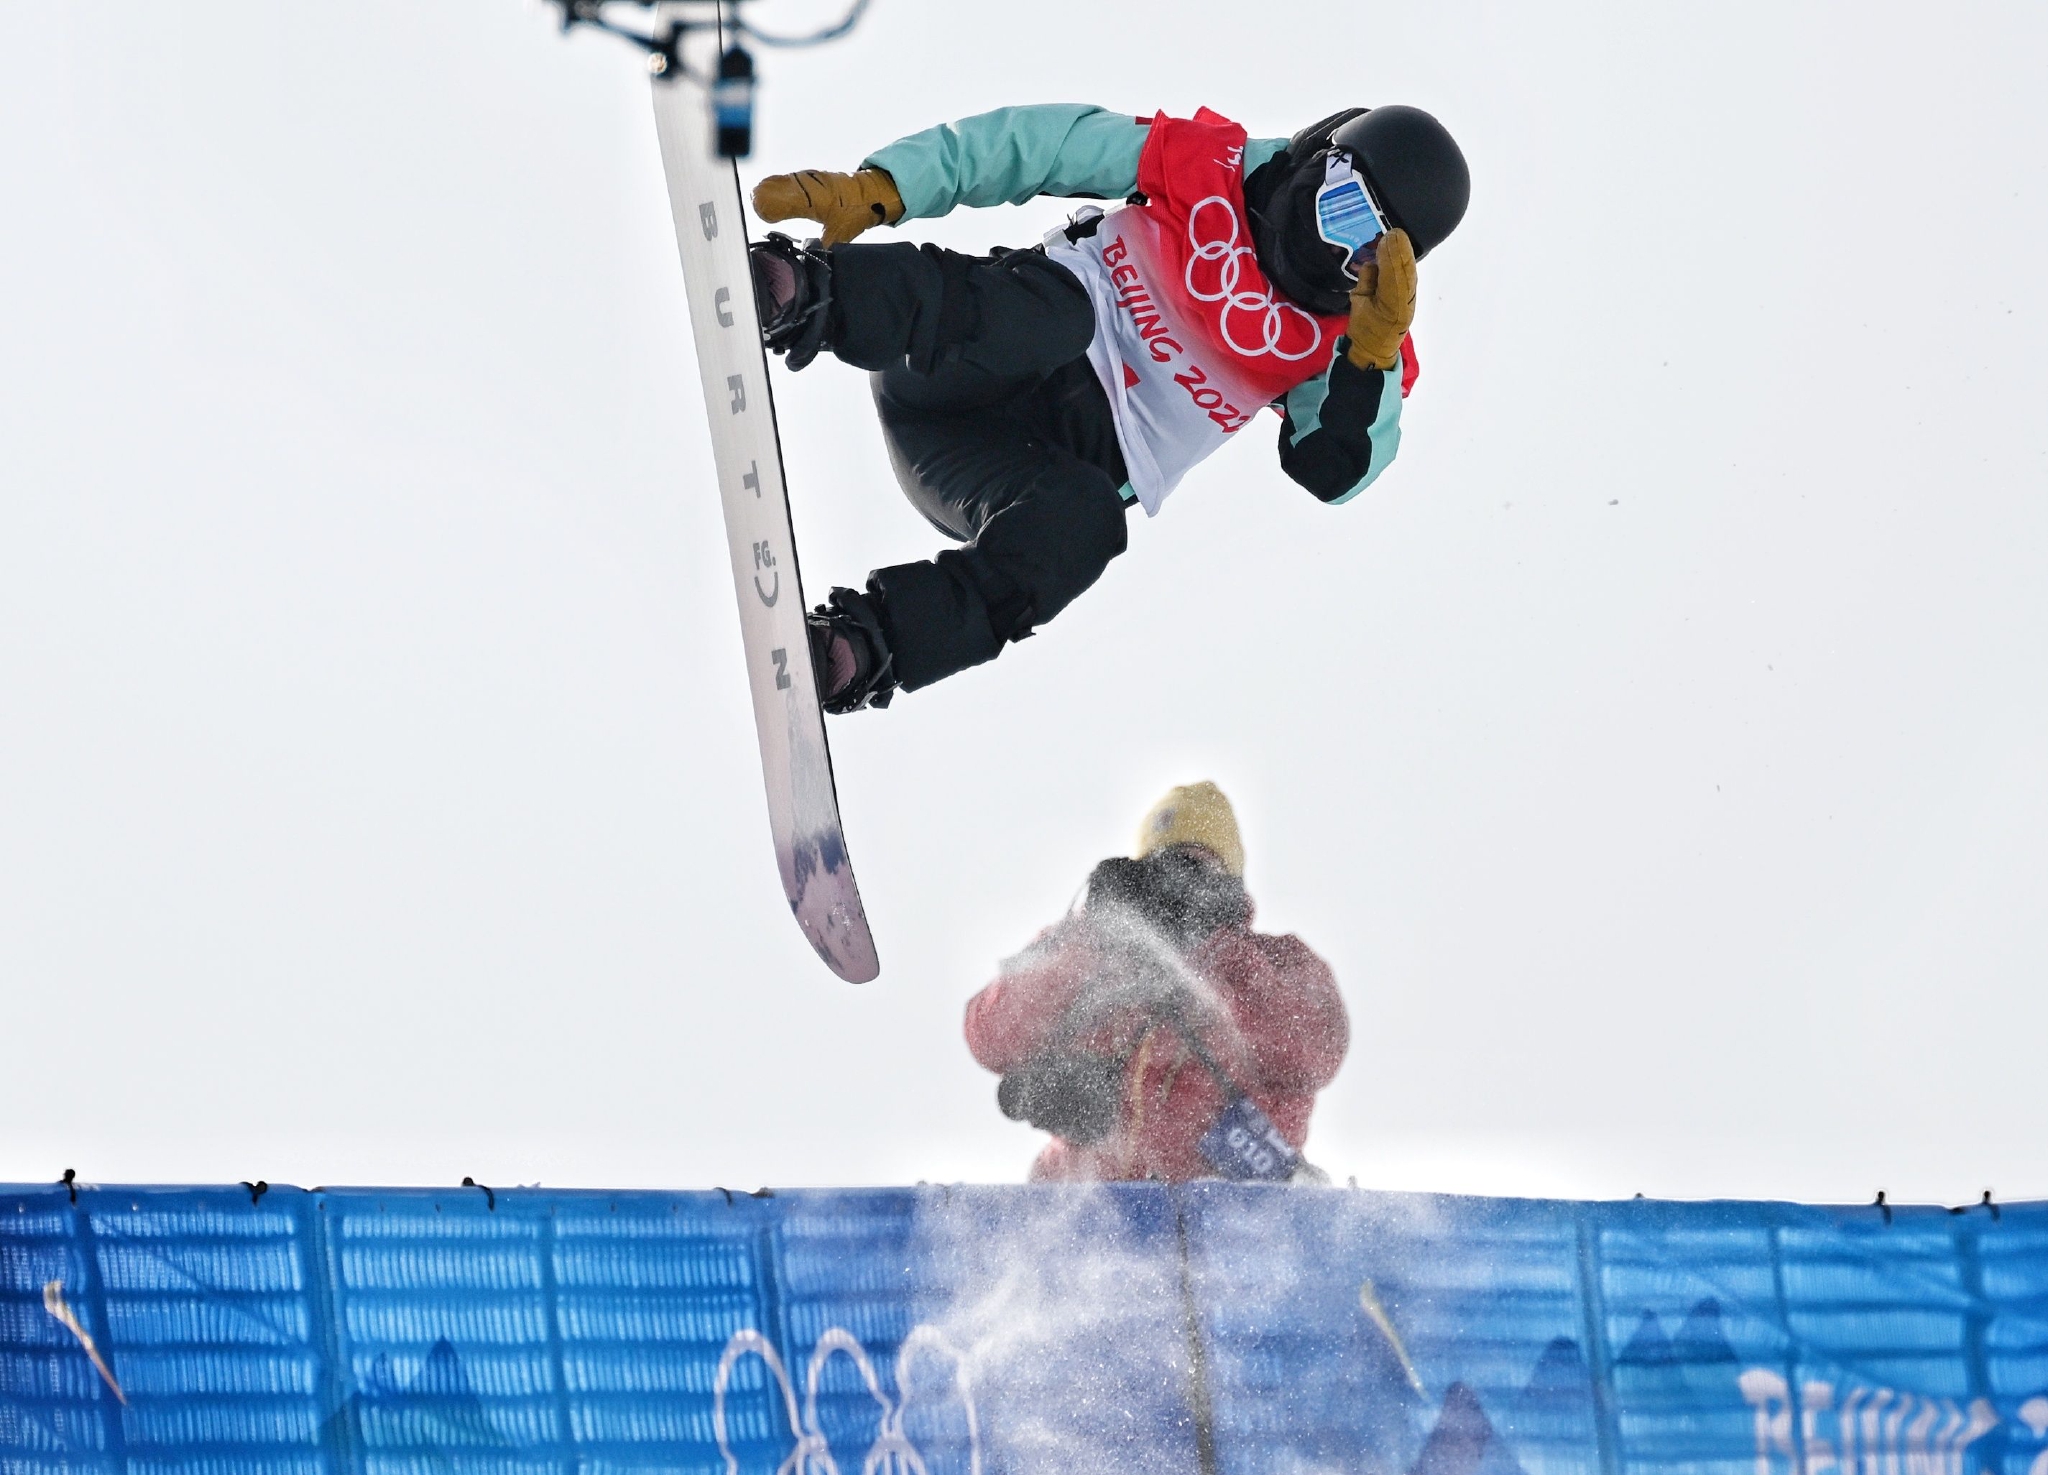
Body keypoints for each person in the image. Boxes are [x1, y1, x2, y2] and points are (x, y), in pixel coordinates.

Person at [745, 103, 1471, 711]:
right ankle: (811, 295)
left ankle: (864, 645)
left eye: (1362, 243)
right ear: (1318, 153)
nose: (1327, 234)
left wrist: (1371, 355)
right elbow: (1038, 146)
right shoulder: (1205, 164)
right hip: (959, 362)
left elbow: (1334, 467)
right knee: (1060, 317)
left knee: (1088, 522)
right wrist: (887, 184)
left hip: (995, 471)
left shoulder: (1350, 345)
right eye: (1336, 197)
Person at [962, 782, 1348, 1183]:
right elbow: (990, 1037)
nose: (1183, 885)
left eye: (1202, 867)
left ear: (1231, 881)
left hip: (1228, 1215)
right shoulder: (1095, 956)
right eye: (1167, 866)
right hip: (1084, 1211)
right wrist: (1089, 935)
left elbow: (1314, 1051)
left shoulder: (1276, 963)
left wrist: (1221, 956)